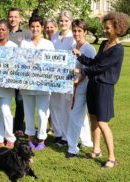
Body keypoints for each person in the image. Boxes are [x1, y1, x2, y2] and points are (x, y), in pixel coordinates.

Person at [73, 12, 130, 168]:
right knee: (93, 119)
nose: (104, 30)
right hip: (93, 86)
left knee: (102, 123)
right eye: (104, 27)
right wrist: (80, 56)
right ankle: (96, 150)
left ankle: (112, 158)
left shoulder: (118, 49)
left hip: (104, 89)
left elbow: (99, 68)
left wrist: (82, 72)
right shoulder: (104, 44)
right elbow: (94, 62)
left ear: (118, 28)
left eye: (107, 28)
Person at [20, 9, 55, 150]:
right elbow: (20, 63)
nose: (35, 29)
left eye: (38, 26)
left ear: (42, 28)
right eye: (33, 26)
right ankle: (30, 138)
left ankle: (41, 139)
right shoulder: (24, 44)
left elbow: (53, 65)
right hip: (27, 84)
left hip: (43, 85)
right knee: (28, 112)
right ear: (30, 28)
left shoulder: (48, 44)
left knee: (42, 113)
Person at [66, 19, 95, 158]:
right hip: (73, 85)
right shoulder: (73, 46)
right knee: (80, 117)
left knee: (74, 117)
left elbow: (88, 70)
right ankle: (86, 141)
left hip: (83, 87)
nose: (76, 33)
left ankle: (72, 148)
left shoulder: (89, 49)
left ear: (85, 32)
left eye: (79, 31)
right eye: (75, 30)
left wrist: (78, 80)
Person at [0, 19, 17, 148]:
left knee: (6, 111)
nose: (0, 32)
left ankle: (9, 137)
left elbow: (17, 67)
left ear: (8, 31)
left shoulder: (14, 47)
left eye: (3, 29)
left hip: (7, 86)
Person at [50, 10, 75, 146]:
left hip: (67, 78)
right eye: (61, 20)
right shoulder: (54, 37)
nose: (63, 23)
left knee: (66, 108)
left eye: (66, 21)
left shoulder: (73, 37)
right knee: (54, 106)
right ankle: (57, 133)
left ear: (70, 22)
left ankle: (66, 136)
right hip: (54, 78)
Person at [8, 8, 32, 137]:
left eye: (15, 17)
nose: (13, 19)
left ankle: (19, 127)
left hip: (21, 74)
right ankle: (4, 126)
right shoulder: (4, 32)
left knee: (20, 101)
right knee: (4, 101)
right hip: (6, 74)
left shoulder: (27, 34)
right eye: (11, 17)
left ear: (20, 18)